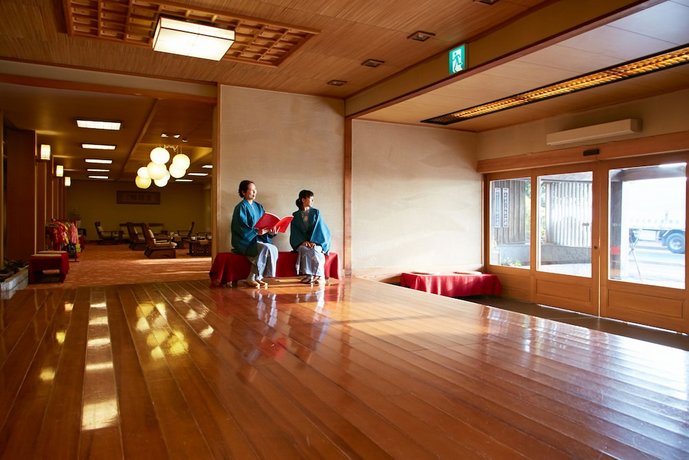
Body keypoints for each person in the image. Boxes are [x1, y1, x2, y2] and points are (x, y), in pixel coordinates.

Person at [231, 180, 278, 287]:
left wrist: (270, 232)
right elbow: (240, 227)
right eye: (251, 190)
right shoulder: (240, 207)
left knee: (273, 248)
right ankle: (251, 277)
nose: (254, 192)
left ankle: (259, 276)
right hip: (246, 241)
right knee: (265, 248)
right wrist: (256, 232)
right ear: (243, 192)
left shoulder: (258, 206)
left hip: (259, 238)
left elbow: (265, 223)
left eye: (255, 190)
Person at [290, 189, 331, 284]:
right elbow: (295, 231)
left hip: (317, 240)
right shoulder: (295, 215)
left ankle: (320, 276)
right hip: (303, 242)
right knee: (304, 249)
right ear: (303, 200)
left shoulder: (316, 212)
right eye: (311, 199)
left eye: (313, 199)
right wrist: (302, 242)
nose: (312, 201)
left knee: (315, 250)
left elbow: (320, 228)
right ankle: (309, 275)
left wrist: (314, 241)